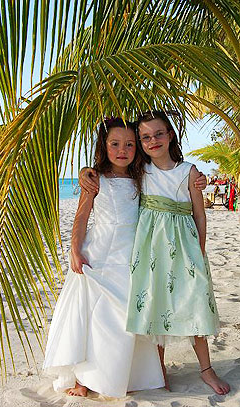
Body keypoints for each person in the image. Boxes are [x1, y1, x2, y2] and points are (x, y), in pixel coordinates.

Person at [80, 111, 230, 396]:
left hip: (186, 249)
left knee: (195, 302)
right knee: (157, 306)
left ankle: (206, 368)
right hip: (152, 254)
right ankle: (158, 371)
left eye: (158, 134)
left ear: (170, 134)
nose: (152, 141)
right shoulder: (141, 171)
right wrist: (85, 171)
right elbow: (111, 172)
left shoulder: (189, 172)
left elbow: (199, 215)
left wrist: (200, 250)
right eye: (145, 137)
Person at [43, 118, 165, 398]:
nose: (122, 150)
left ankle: (128, 374)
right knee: (92, 319)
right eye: (115, 144)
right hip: (99, 255)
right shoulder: (95, 177)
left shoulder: (143, 177)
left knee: (126, 318)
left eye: (130, 144)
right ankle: (85, 379)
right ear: (104, 145)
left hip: (132, 254)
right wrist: (75, 250)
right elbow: (81, 218)